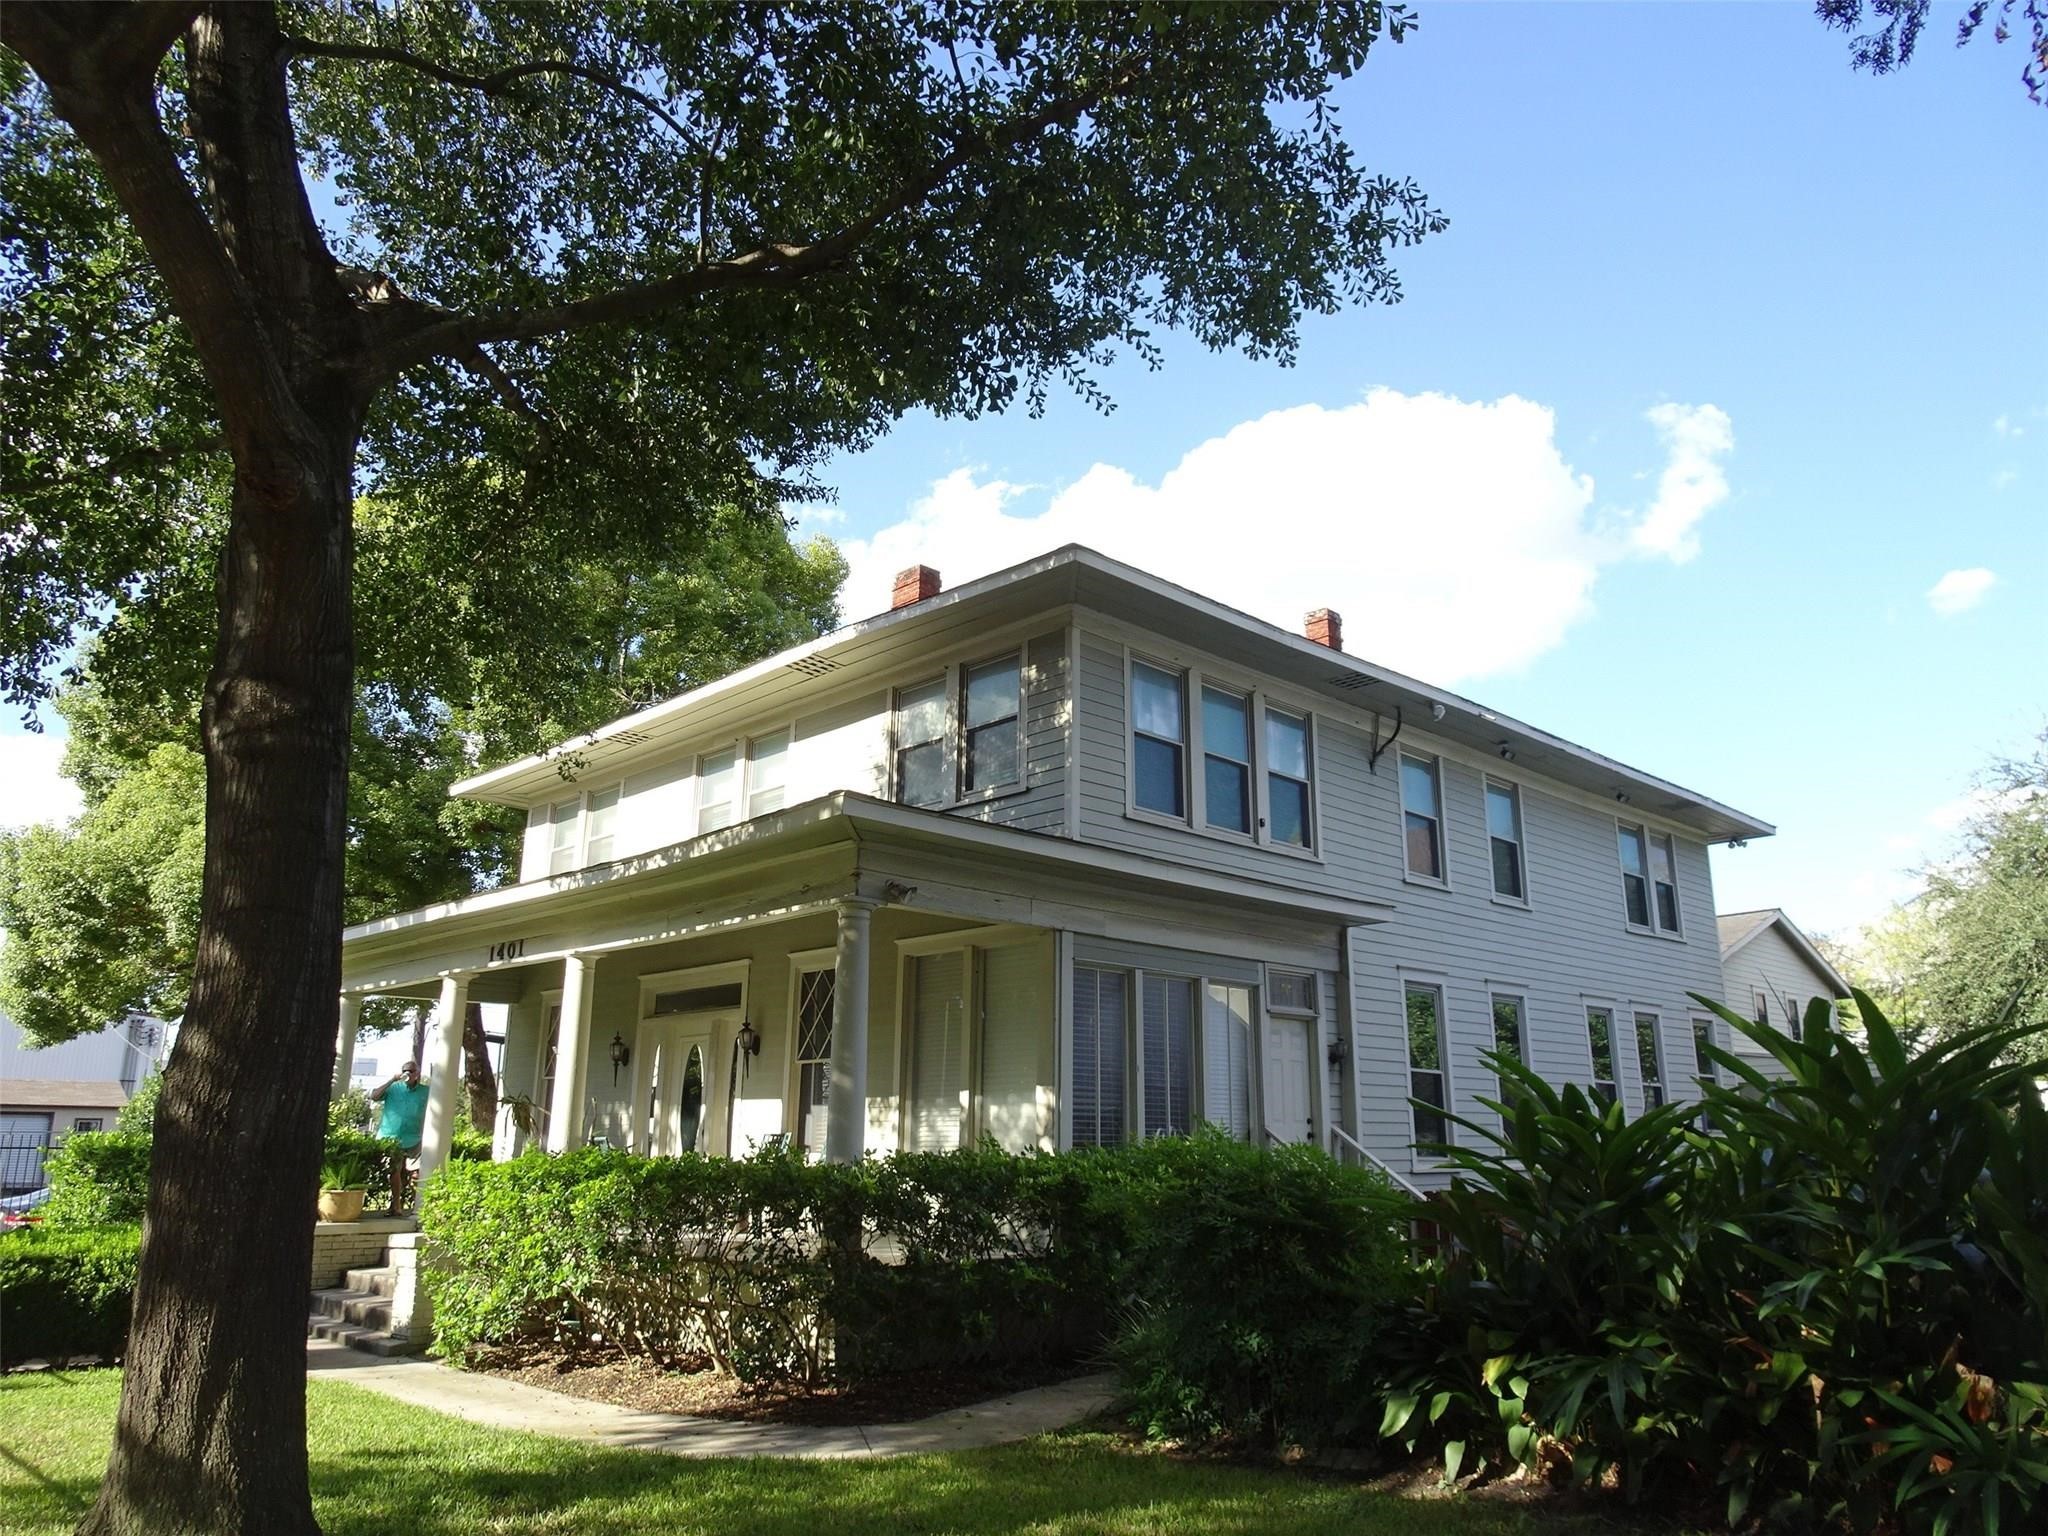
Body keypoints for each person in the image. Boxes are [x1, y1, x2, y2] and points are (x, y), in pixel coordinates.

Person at [369, 1060, 430, 1212]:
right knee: (393, 1171)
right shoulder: (393, 1088)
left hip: (415, 1138)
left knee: (417, 1173)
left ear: (417, 1074)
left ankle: (420, 1206)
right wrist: (391, 1079)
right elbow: (374, 1096)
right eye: (405, 1070)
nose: (407, 1074)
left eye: (411, 1071)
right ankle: (396, 1205)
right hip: (391, 1137)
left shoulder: (426, 1091)